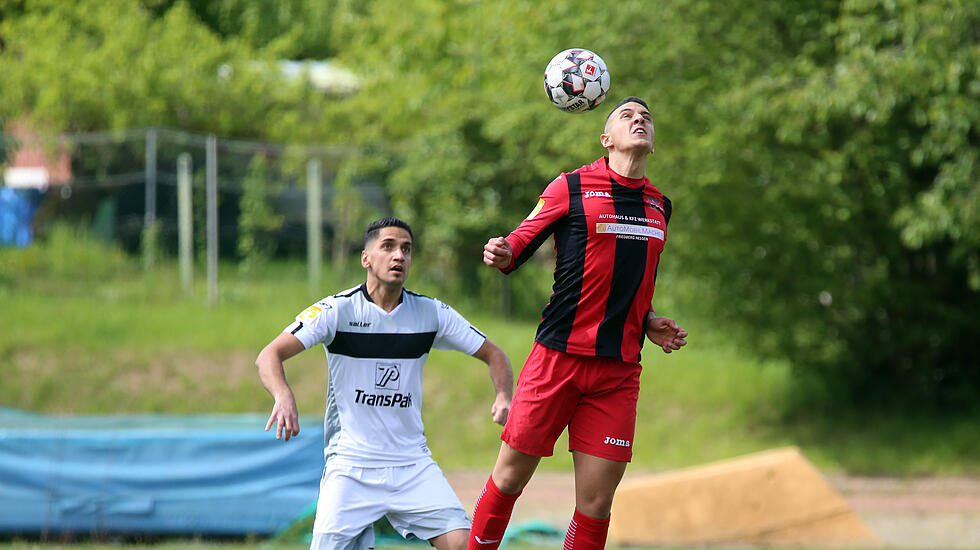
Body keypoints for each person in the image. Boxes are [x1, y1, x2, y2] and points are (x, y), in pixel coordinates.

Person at [468, 97, 688, 550]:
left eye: (646, 116)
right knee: (509, 478)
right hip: (557, 360)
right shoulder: (571, 186)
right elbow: (520, 241)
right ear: (606, 139)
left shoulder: (660, 206)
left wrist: (647, 320)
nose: (640, 119)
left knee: (595, 503)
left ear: (653, 141)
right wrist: (504, 251)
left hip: (618, 371)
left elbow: (627, 278)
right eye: (627, 115)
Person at [256, 216, 513, 550]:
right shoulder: (337, 310)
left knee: (467, 545)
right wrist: (283, 395)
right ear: (366, 258)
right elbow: (269, 355)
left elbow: (495, 354)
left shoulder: (430, 313)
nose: (399, 256)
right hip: (350, 466)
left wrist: (504, 395)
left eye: (406, 249)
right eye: (388, 246)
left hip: (412, 464)